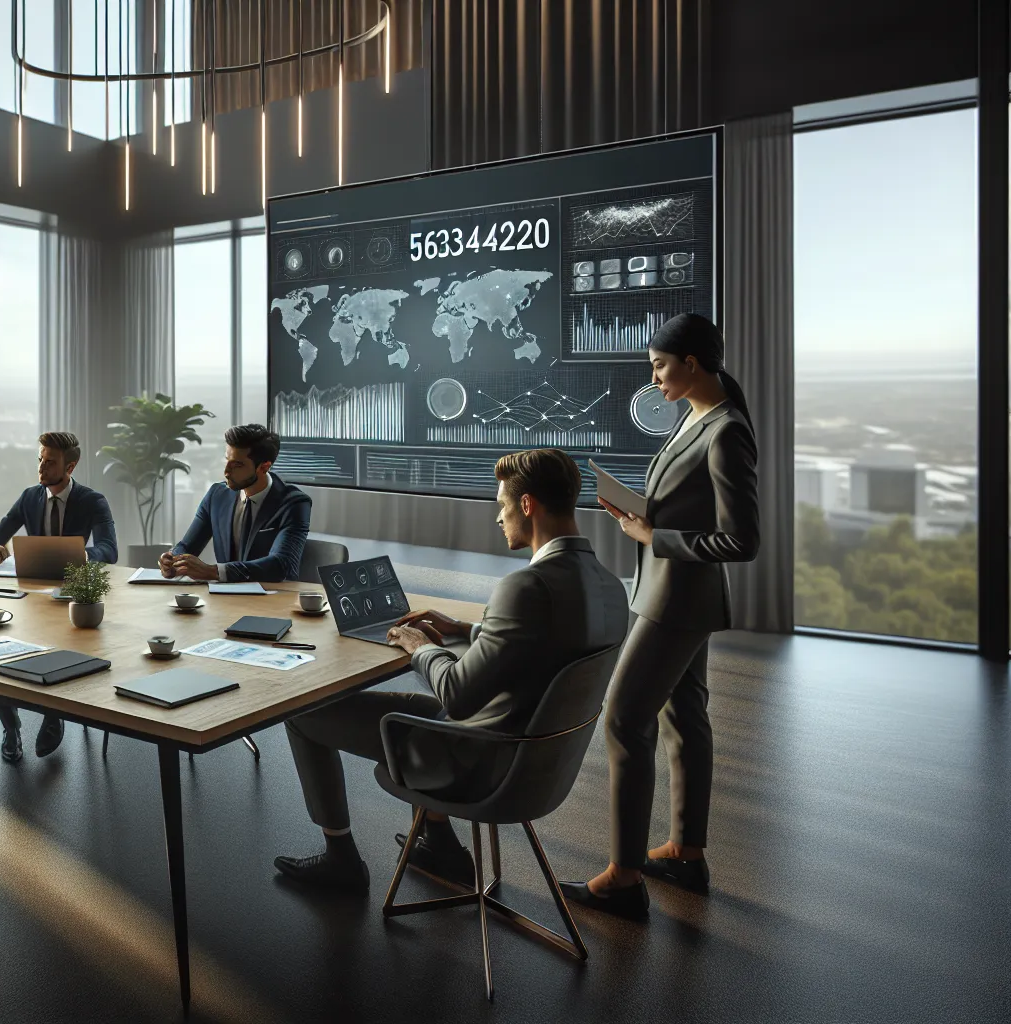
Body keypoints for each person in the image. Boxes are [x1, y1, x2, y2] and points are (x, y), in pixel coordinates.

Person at [273, 450, 629, 892]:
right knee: (415, 709)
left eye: (502, 505)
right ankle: (440, 842)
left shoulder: (525, 586)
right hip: (538, 760)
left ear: (527, 505)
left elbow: (457, 695)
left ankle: (341, 859)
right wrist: (466, 628)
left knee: (304, 714)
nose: (499, 518)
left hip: (479, 761)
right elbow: (547, 641)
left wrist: (419, 646)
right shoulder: (610, 587)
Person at [562, 313, 760, 920]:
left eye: (659, 365)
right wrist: (641, 516)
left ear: (692, 364)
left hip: (677, 600)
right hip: (669, 594)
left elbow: (742, 541)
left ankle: (623, 878)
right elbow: (691, 504)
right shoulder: (700, 415)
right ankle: (685, 851)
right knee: (685, 719)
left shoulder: (725, 430)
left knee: (623, 719)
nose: (652, 376)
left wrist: (655, 534)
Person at [0, 431, 118, 762]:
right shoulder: (29, 497)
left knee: (59, 655)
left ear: (70, 466)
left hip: (72, 597)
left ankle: (53, 715)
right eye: (40, 459)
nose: (41, 467)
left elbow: (109, 550)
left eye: (50, 462)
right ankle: (10, 727)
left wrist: (81, 555)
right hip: (30, 599)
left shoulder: (92, 500)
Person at [160, 423, 311, 583]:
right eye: (227, 460)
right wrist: (172, 560)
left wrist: (213, 572)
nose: (226, 471)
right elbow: (187, 545)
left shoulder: (294, 503)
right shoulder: (216, 496)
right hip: (224, 601)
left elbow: (281, 565)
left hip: (273, 601)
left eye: (237, 465)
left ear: (264, 467)